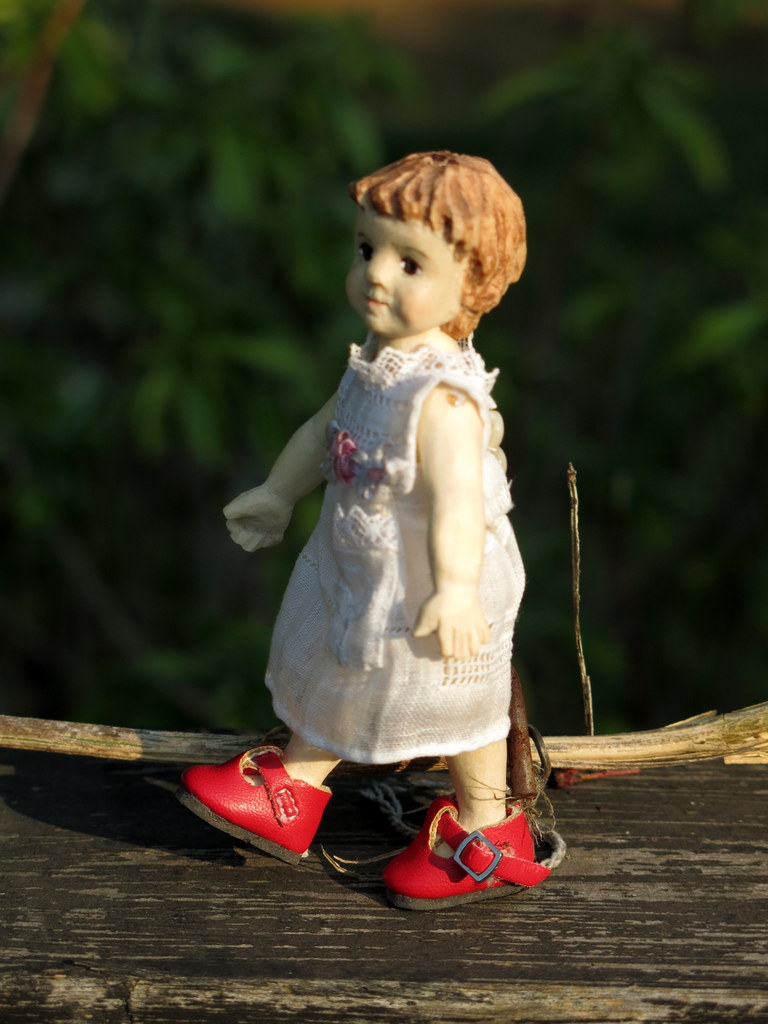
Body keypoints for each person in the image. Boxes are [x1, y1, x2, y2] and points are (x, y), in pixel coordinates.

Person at [177, 151, 550, 909]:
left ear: (471, 281)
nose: (376, 274)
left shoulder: (444, 401)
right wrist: (278, 493)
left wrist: (456, 590)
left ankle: (489, 829)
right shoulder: (378, 362)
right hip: (369, 567)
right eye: (366, 249)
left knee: (461, 704)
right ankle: (294, 790)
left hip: (441, 580)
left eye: (409, 263)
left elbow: (458, 503)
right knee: (345, 665)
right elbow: (328, 430)